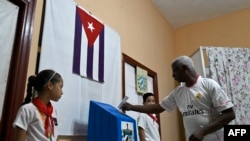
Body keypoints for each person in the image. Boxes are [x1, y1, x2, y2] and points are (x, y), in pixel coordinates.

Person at [121, 55, 235, 141]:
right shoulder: (178, 93)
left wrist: (203, 131)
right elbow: (158, 108)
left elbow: (229, 114)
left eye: (175, 71)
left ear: (184, 68)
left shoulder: (209, 85)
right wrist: (131, 107)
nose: (173, 75)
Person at [13, 69, 64, 141]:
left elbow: (52, 137)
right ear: (50, 85)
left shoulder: (53, 111)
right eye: (60, 87)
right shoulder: (27, 109)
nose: (62, 92)